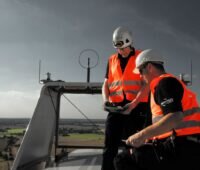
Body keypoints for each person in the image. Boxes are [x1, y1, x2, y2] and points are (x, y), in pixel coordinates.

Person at [114, 49, 200, 170]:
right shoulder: (169, 83)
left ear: (149, 67)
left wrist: (140, 136)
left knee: (122, 160)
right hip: (189, 147)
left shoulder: (163, 83)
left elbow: (175, 116)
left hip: (179, 149)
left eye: (140, 70)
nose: (140, 75)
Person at [101, 27, 151, 170]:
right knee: (109, 147)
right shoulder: (111, 60)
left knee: (136, 146)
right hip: (116, 108)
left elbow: (146, 84)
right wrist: (105, 100)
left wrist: (133, 104)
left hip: (137, 108)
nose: (120, 51)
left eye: (123, 48)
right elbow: (106, 83)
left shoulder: (141, 57)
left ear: (129, 43)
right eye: (118, 48)